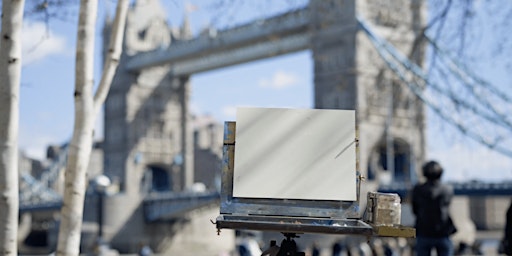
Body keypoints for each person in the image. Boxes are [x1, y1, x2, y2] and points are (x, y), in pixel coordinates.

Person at [412, 160, 457, 256]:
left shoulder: (418, 189)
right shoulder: (447, 190)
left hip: (423, 232)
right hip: (443, 231)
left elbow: (415, 210)